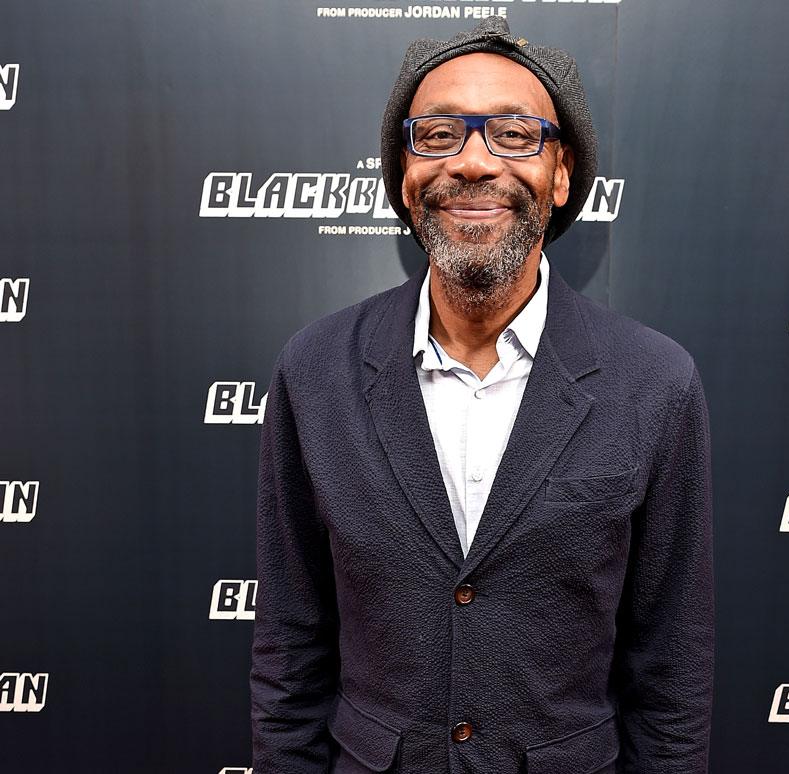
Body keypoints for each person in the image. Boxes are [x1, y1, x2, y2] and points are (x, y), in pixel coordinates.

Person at [251, 17, 713, 774]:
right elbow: (289, 648)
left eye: (512, 133)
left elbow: (671, 676)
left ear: (561, 173)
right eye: (436, 134)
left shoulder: (656, 383)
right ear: (404, 173)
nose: (471, 162)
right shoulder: (316, 369)